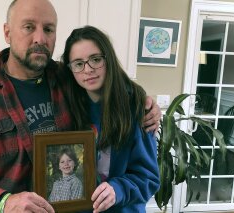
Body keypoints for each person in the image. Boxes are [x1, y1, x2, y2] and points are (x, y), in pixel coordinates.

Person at [0, 0, 161, 212]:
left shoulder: (68, 79)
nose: (40, 38)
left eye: (48, 29)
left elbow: (110, 83)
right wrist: (4, 202)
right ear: (7, 32)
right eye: (29, 27)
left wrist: (144, 102)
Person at [61, 25, 160, 212]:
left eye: (96, 59)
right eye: (78, 63)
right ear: (70, 69)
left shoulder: (137, 108)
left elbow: (149, 178)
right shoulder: (65, 107)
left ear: (109, 59)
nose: (88, 69)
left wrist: (118, 189)